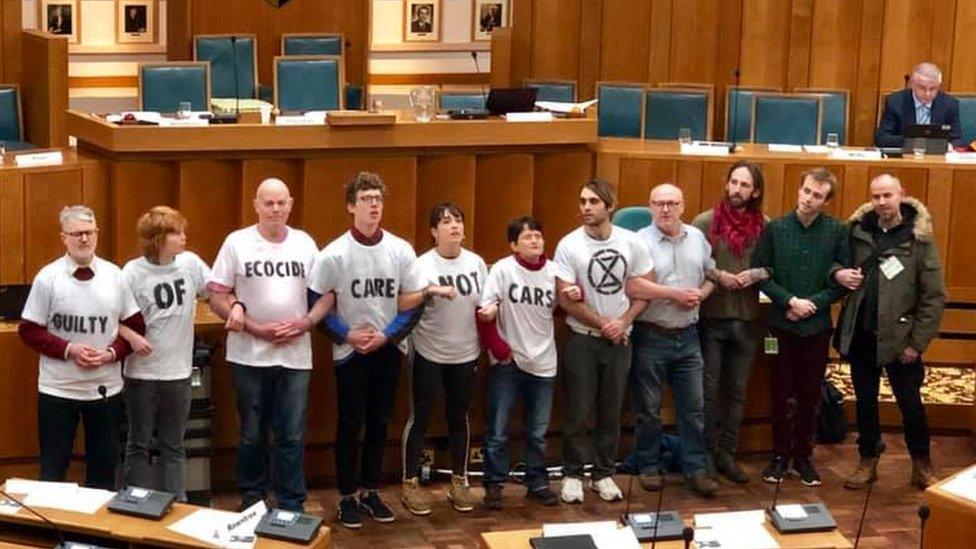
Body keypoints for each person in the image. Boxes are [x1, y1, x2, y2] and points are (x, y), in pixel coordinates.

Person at [309, 172, 422, 529]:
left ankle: (370, 490)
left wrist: (387, 336)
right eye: (366, 199)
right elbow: (316, 302)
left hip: (388, 348)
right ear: (351, 206)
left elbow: (414, 302)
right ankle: (346, 496)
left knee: (380, 423)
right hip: (351, 352)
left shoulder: (401, 249)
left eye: (378, 198)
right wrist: (348, 335)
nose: (374, 205)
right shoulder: (334, 253)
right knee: (350, 424)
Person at [208, 178, 324, 512]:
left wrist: (305, 323)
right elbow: (217, 294)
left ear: (291, 204)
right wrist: (252, 326)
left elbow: (327, 294)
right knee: (251, 434)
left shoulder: (305, 243)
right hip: (248, 354)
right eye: (268, 203)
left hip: (295, 355)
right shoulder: (237, 242)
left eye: (281, 203)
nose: (275, 209)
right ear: (256, 205)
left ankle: (291, 502)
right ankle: (253, 498)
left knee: (291, 435)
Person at [18, 205, 144, 489]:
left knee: (103, 468)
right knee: (54, 467)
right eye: (76, 234)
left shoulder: (115, 276)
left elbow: (136, 326)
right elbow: (29, 330)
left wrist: (112, 353)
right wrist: (70, 349)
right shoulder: (48, 278)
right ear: (64, 238)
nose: (83, 239)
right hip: (58, 389)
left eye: (88, 233)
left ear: (97, 234)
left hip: (105, 390)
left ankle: (97, 534)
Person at [833, 174, 945, 490]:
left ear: (901, 195)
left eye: (887, 195)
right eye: (876, 196)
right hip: (862, 335)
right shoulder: (855, 232)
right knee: (866, 403)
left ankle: (921, 465)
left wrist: (917, 344)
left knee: (911, 405)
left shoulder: (920, 239)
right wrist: (838, 274)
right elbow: (833, 266)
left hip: (902, 342)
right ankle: (867, 461)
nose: (881, 202)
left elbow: (934, 296)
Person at [554, 178, 652, 504]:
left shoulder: (631, 242)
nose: (585, 208)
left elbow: (645, 288)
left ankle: (603, 473)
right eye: (582, 201)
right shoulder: (569, 245)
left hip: (621, 339)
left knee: (611, 411)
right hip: (583, 338)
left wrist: (623, 322)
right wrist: (602, 323)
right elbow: (565, 300)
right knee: (578, 411)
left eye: (593, 202)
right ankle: (572, 474)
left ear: (610, 206)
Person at [751, 168, 849, 487]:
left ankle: (803, 456)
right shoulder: (776, 229)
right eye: (806, 191)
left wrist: (813, 304)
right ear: (799, 190)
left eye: (817, 195)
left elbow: (843, 281)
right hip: (781, 324)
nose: (809, 199)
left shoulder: (837, 231)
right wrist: (790, 301)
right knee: (781, 392)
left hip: (817, 327)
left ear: (826, 201)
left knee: (810, 393)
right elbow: (762, 273)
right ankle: (779, 455)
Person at [624, 184, 719, 498]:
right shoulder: (638, 242)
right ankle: (648, 465)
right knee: (649, 409)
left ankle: (695, 468)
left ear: (683, 205)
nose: (665, 209)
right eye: (658, 203)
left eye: (671, 203)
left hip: (689, 337)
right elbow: (633, 285)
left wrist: (700, 296)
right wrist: (673, 294)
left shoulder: (697, 238)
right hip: (651, 334)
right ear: (650, 207)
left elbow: (711, 275)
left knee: (693, 408)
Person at [399, 203, 486, 516]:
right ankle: (409, 484)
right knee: (420, 418)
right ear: (434, 231)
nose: (454, 226)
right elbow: (401, 302)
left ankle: (459, 481)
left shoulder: (476, 262)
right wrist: (429, 291)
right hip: (429, 352)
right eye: (446, 221)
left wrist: (491, 311)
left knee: (459, 417)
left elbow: (486, 301)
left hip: (466, 353)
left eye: (458, 220)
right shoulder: (421, 265)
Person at [119, 206, 210, 499]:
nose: (184, 237)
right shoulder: (132, 272)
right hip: (142, 373)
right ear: (158, 239)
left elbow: (215, 291)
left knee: (174, 444)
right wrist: (132, 337)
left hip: (178, 372)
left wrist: (235, 307)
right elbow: (112, 317)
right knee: (139, 442)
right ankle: (135, 503)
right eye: (177, 233)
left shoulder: (191, 264)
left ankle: (177, 504)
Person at [478, 216, 566, 510]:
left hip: (544, 361)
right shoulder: (503, 270)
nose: (535, 241)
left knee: (538, 432)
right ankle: (493, 483)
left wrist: (575, 295)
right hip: (509, 363)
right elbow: (484, 312)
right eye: (527, 237)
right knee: (498, 430)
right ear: (514, 244)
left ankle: (537, 481)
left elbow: (562, 310)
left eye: (538, 236)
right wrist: (500, 351)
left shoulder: (555, 272)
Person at [692, 161, 768, 484]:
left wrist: (756, 274)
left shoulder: (765, 225)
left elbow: (774, 267)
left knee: (737, 393)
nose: (736, 189)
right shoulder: (705, 222)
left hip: (748, 320)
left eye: (744, 185)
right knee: (708, 394)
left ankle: (727, 453)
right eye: (733, 182)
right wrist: (717, 275)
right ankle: (707, 455)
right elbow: (694, 263)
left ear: (756, 192)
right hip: (712, 319)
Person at [875, 62, 963, 148]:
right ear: (912, 84)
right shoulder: (895, 102)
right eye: (922, 88)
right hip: (906, 157)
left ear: (938, 86)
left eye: (932, 89)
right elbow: (882, 138)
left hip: (937, 158)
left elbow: (957, 139)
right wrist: (911, 142)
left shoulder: (950, 104)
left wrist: (947, 146)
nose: (927, 93)